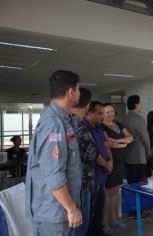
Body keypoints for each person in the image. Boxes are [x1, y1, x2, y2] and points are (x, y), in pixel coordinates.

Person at [25, 70, 82, 236]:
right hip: (54, 213)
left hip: (60, 210)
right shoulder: (53, 124)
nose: (79, 93)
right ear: (71, 92)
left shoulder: (64, 120)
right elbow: (53, 174)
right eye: (78, 89)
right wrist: (71, 208)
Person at [82, 101, 113, 236]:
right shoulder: (83, 128)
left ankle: (98, 231)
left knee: (99, 207)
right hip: (90, 178)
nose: (103, 116)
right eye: (99, 113)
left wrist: (111, 161)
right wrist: (105, 164)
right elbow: (91, 151)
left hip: (101, 176)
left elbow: (106, 146)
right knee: (89, 211)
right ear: (89, 112)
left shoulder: (99, 128)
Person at [101, 103, 133, 233]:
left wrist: (118, 141)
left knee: (115, 193)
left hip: (120, 163)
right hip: (110, 163)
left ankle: (114, 219)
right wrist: (122, 142)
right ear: (102, 113)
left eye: (112, 111)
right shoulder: (101, 127)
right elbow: (107, 144)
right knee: (108, 194)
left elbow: (131, 138)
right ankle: (105, 223)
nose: (110, 114)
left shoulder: (118, 124)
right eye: (107, 112)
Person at [71, 88, 98, 236]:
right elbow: (91, 153)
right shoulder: (79, 126)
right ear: (87, 106)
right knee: (81, 225)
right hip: (82, 182)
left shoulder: (65, 122)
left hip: (70, 183)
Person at [122, 95, 150, 218]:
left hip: (127, 156)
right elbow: (145, 138)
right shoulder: (139, 119)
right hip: (138, 156)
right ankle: (138, 211)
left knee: (131, 184)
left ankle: (131, 210)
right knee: (139, 185)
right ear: (136, 104)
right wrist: (149, 153)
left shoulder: (125, 118)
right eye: (140, 103)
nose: (141, 105)